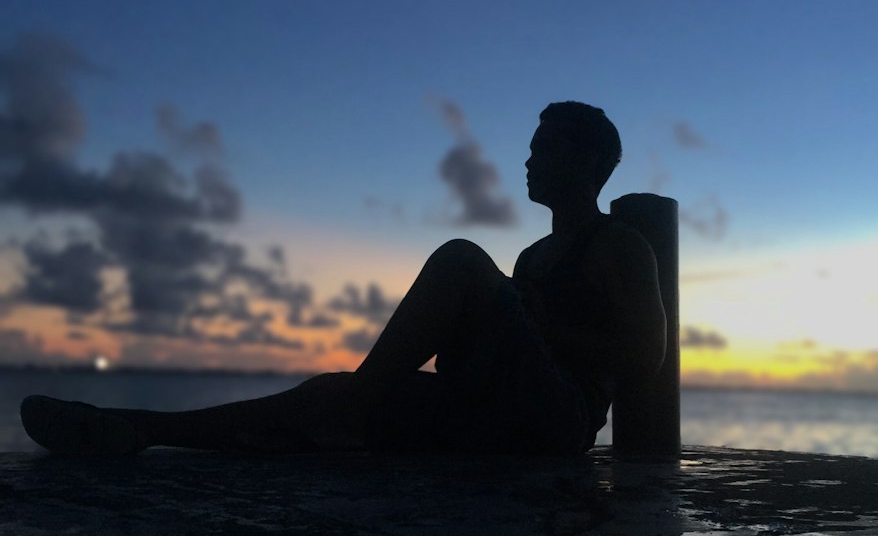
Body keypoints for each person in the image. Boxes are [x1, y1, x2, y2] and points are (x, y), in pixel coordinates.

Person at [20, 101, 666, 459]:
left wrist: (540, 326)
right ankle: (141, 429)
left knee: (462, 260)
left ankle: (352, 414)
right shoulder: (530, 259)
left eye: (545, 147)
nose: (528, 158)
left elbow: (646, 358)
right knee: (327, 393)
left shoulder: (618, 245)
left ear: (588, 161)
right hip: (490, 410)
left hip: (559, 423)